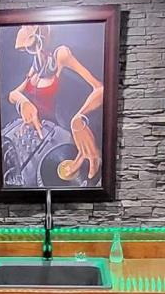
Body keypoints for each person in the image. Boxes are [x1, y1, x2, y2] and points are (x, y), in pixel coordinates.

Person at [7, 24, 104, 183]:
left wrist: (79, 119)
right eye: (27, 49)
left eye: (31, 46)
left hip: (64, 134)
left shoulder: (61, 54)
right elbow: (13, 94)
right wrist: (23, 102)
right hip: (46, 134)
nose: (31, 51)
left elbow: (100, 89)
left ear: (41, 38)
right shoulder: (37, 64)